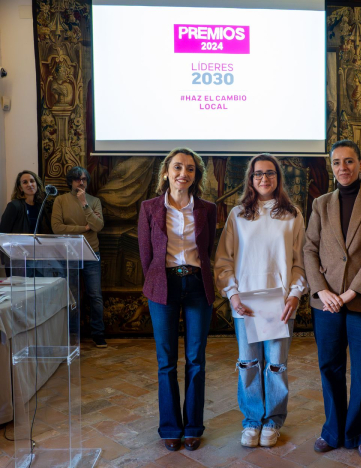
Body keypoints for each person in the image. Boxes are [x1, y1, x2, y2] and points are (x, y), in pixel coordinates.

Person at [303, 140, 361, 460]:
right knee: (330, 366)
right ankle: (333, 430)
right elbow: (309, 249)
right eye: (337, 162)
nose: (343, 168)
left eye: (349, 161)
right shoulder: (320, 204)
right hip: (326, 302)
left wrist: (351, 292)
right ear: (331, 166)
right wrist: (322, 290)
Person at [214, 154, 307, 448]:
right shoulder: (238, 214)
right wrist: (233, 293)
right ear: (250, 179)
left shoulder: (293, 214)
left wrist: (295, 292)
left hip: (281, 303)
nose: (264, 179)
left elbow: (300, 261)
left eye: (269, 173)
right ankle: (253, 420)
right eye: (257, 174)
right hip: (247, 303)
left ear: (278, 177)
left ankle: (273, 421)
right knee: (248, 363)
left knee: (276, 364)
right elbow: (224, 260)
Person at [138, 148, 216, 453]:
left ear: (196, 176)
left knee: (196, 358)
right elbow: (146, 255)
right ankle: (170, 427)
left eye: (191, 169)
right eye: (178, 167)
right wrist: (156, 282)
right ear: (166, 172)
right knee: (166, 360)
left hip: (197, 284)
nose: (184, 173)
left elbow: (208, 249)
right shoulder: (149, 207)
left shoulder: (207, 209)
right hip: (163, 285)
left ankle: (193, 426)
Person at [51, 166, 107, 348]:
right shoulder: (60, 200)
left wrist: (84, 204)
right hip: (69, 253)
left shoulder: (94, 201)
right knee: (73, 296)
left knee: (95, 296)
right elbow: (57, 228)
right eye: (77, 179)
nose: (81, 182)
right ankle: (73, 333)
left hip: (92, 254)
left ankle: (98, 334)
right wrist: (84, 228)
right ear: (70, 182)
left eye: (83, 179)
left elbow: (98, 226)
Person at [0, 170, 51, 276]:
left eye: (32, 181)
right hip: (18, 259)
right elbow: (2, 234)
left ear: (37, 184)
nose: (29, 184)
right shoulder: (14, 206)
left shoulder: (41, 206)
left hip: (37, 257)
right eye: (25, 182)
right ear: (20, 188)